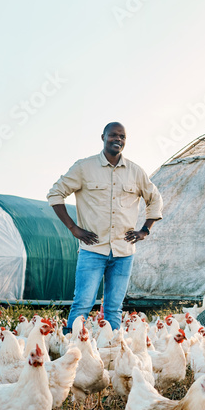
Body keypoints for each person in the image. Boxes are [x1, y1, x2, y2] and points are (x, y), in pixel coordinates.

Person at [47, 122, 163, 333]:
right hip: (93, 250)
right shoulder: (84, 168)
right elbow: (55, 194)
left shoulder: (136, 172)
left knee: (114, 308)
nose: (118, 140)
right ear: (103, 137)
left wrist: (144, 230)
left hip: (124, 252)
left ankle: (111, 351)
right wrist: (74, 228)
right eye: (113, 135)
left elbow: (155, 199)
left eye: (122, 137)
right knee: (82, 303)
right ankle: (71, 351)